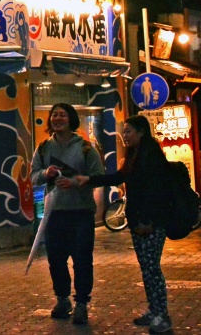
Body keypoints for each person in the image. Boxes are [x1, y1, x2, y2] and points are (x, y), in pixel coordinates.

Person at [67, 115, 173, 333]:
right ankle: (153, 310)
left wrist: (149, 221)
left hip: (151, 223)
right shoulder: (134, 155)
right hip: (137, 221)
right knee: (146, 268)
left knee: (153, 268)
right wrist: (89, 179)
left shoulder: (151, 156)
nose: (124, 136)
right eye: (124, 131)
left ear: (142, 132)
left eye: (129, 131)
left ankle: (162, 315)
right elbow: (117, 178)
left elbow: (157, 192)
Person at [30, 103, 104, 324]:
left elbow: (98, 177)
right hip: (54, 214)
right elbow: (33, 177)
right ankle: (62, 299)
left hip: (81, 213)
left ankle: (82, 303)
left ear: (71, 119)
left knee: (82, 260)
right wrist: (46, 172)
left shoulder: (86, 148)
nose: (57, 119)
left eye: (62, 115)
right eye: (54, 115)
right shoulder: (43, 148)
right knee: (56, 260)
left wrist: (74, 182)